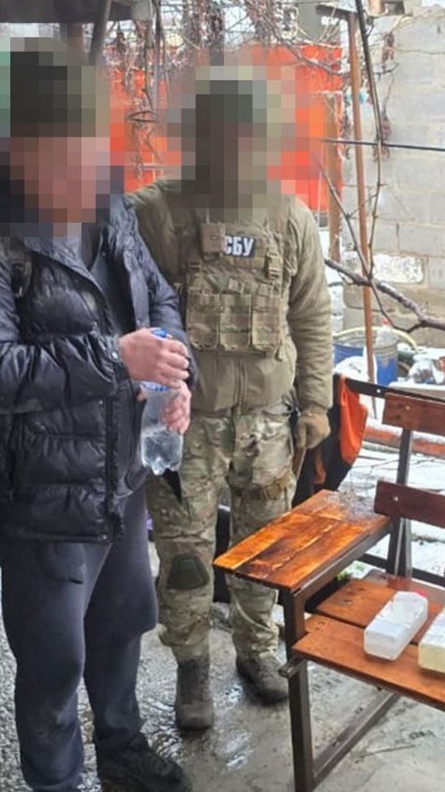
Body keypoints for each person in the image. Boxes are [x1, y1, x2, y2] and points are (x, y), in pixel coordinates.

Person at [0, 41, 193, 792]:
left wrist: (174, 368)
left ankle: (123, 748)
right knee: (53, 659)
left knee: (123, 623)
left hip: (122, 474)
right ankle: (57, 779)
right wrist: (118, 358)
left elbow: (160, 298)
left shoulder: (107, 203)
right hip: (42, 494)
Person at [129, 66, 334, 730]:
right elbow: (127, 309)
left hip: (270, 424)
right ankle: (192, 669)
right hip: (186, 424)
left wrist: (315, 404)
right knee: (185, 557)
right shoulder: (158, 213)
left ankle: (256, 650)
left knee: (264, 551)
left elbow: (311, 315)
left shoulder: (289, 217)